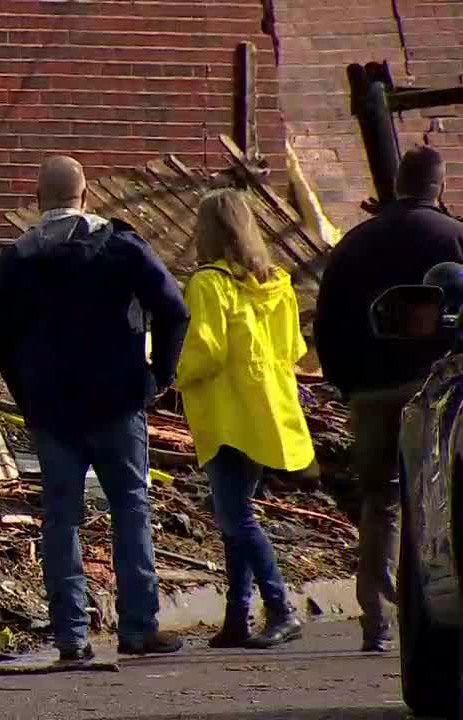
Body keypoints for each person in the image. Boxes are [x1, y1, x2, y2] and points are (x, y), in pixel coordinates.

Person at [0, 155, 191, 661]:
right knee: (130, 509)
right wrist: (159, 376)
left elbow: (3, 341)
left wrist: (27, 396)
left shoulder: (17, 260)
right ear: (85, 198)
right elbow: (174, 309)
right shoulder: (120, 247)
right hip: (118, 401)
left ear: (38, 201)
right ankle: (139, 627)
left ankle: (71, 636)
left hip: (52, 411)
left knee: (62, 520)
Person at [315, 145, 463, 652]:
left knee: (380, 502)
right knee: (438, 502)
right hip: (440, 391)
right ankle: (425, 608)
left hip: (372, 392)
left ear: (394, 184)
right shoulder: (453, 236)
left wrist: (348, 385)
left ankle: (376, 620)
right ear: (439, 186)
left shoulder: (354, 243)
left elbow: (326, 323)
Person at [175, 189, 313, 649]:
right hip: (267, 412)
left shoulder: (207, 283)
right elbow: (294, 349)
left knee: (235, 516)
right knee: (236, 513)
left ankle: (280, 607)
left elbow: (206, 350)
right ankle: (236, 616)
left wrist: (170, 375)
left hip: (225, 412)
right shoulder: (277, 283)